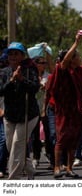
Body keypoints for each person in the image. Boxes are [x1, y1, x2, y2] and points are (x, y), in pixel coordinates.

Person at [48, 33, 82, 178]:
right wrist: (76, 42)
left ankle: (69, 168)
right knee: (61, 139)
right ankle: (57, 167)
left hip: (76, 109)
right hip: (63, 110)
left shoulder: (80, 70)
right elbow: (65, 60)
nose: (80, 58)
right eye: (77, 56)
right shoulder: (64, 69)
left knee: (74, 140)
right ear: (72, 59)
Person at [0, 42, 40, 179]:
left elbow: (35, 88)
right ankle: (30, 170)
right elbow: (1, 91)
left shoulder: (30, 70)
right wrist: (12, 80)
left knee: (17, 145)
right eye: (10, 53)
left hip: (28, 115)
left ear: (22, 56)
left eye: (16, 53)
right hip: (10, 116)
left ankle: (13, 181)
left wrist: (22, 79)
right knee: (13, 147)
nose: (13, 56)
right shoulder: (3, 72)